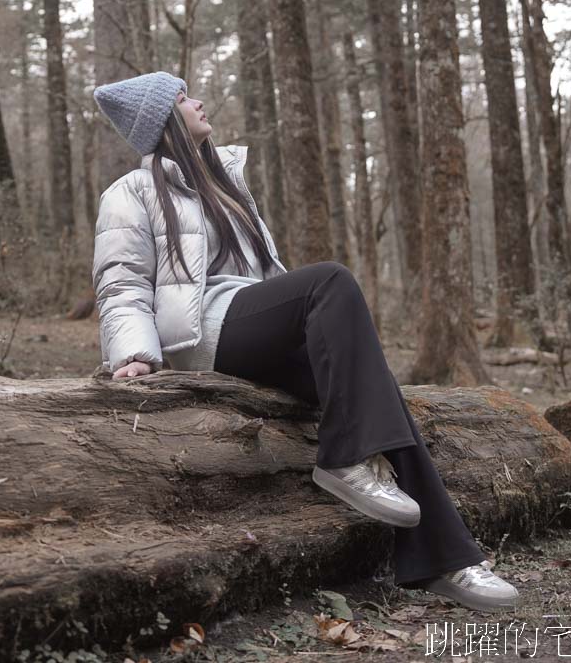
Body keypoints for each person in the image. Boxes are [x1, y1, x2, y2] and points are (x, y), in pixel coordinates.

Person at [92, 70, 519, 613]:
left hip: (250, 325)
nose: (198, 101)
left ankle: (446, 559)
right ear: (164, 117)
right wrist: (133, 353)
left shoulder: (224, 181)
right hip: (203, 334)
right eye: (183, 96)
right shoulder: (130, 192)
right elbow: (122, 280)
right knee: (330, 280)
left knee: (377, 386)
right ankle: (344, 459)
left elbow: (262, 279)